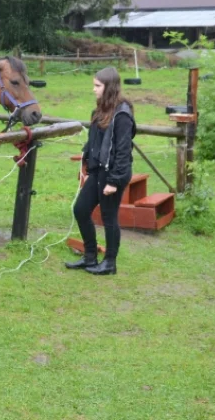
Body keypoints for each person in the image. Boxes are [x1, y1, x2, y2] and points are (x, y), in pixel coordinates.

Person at [66, 66, 136, 276]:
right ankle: (90, 257)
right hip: (97, 171)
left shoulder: (122, 115)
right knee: (80, 210)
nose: (94, 89)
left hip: (113, 173)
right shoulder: (100, 110)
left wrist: (114, 181)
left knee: (108, 217)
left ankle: (109, 263)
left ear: (109, 87)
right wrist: (87, 160)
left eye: (97, 86)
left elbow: (123, 151)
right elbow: (94, 141)